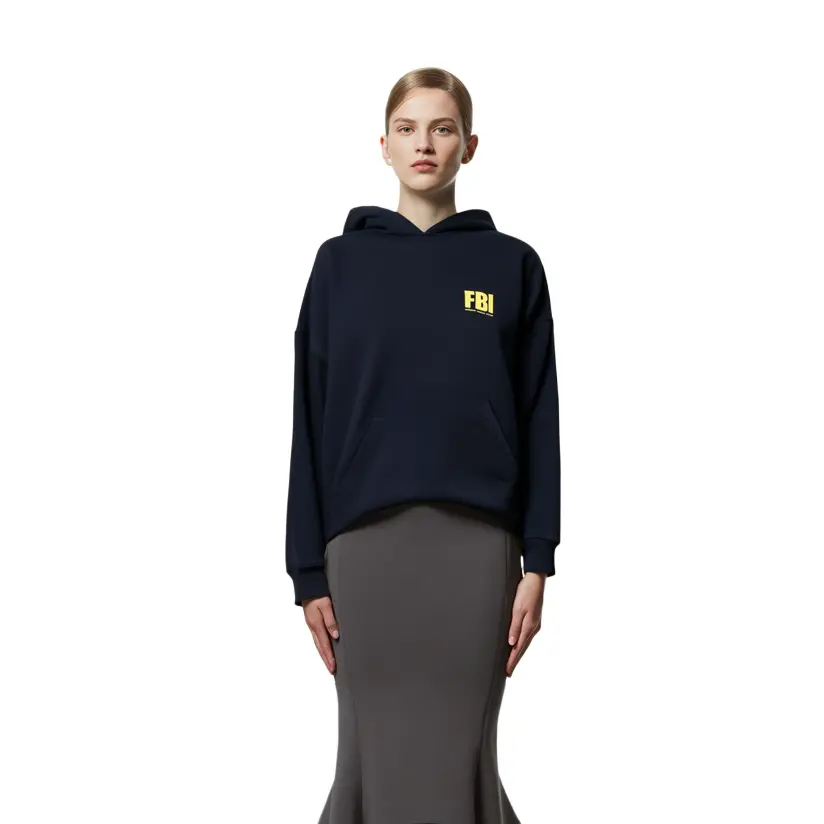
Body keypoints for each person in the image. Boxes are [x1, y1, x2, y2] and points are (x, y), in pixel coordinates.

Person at [285, 66, 561, 824]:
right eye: (407, 129)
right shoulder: (339, 266)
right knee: (368, 755)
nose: (424, 144)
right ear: (383, 145)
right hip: (361, 553)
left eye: (442, 128)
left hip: (479, 551)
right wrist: (306, 571)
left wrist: (539, 559)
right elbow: (308, 419)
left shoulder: (512, 267)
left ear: (469, 145)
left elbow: (540, 417)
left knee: (463, 755)